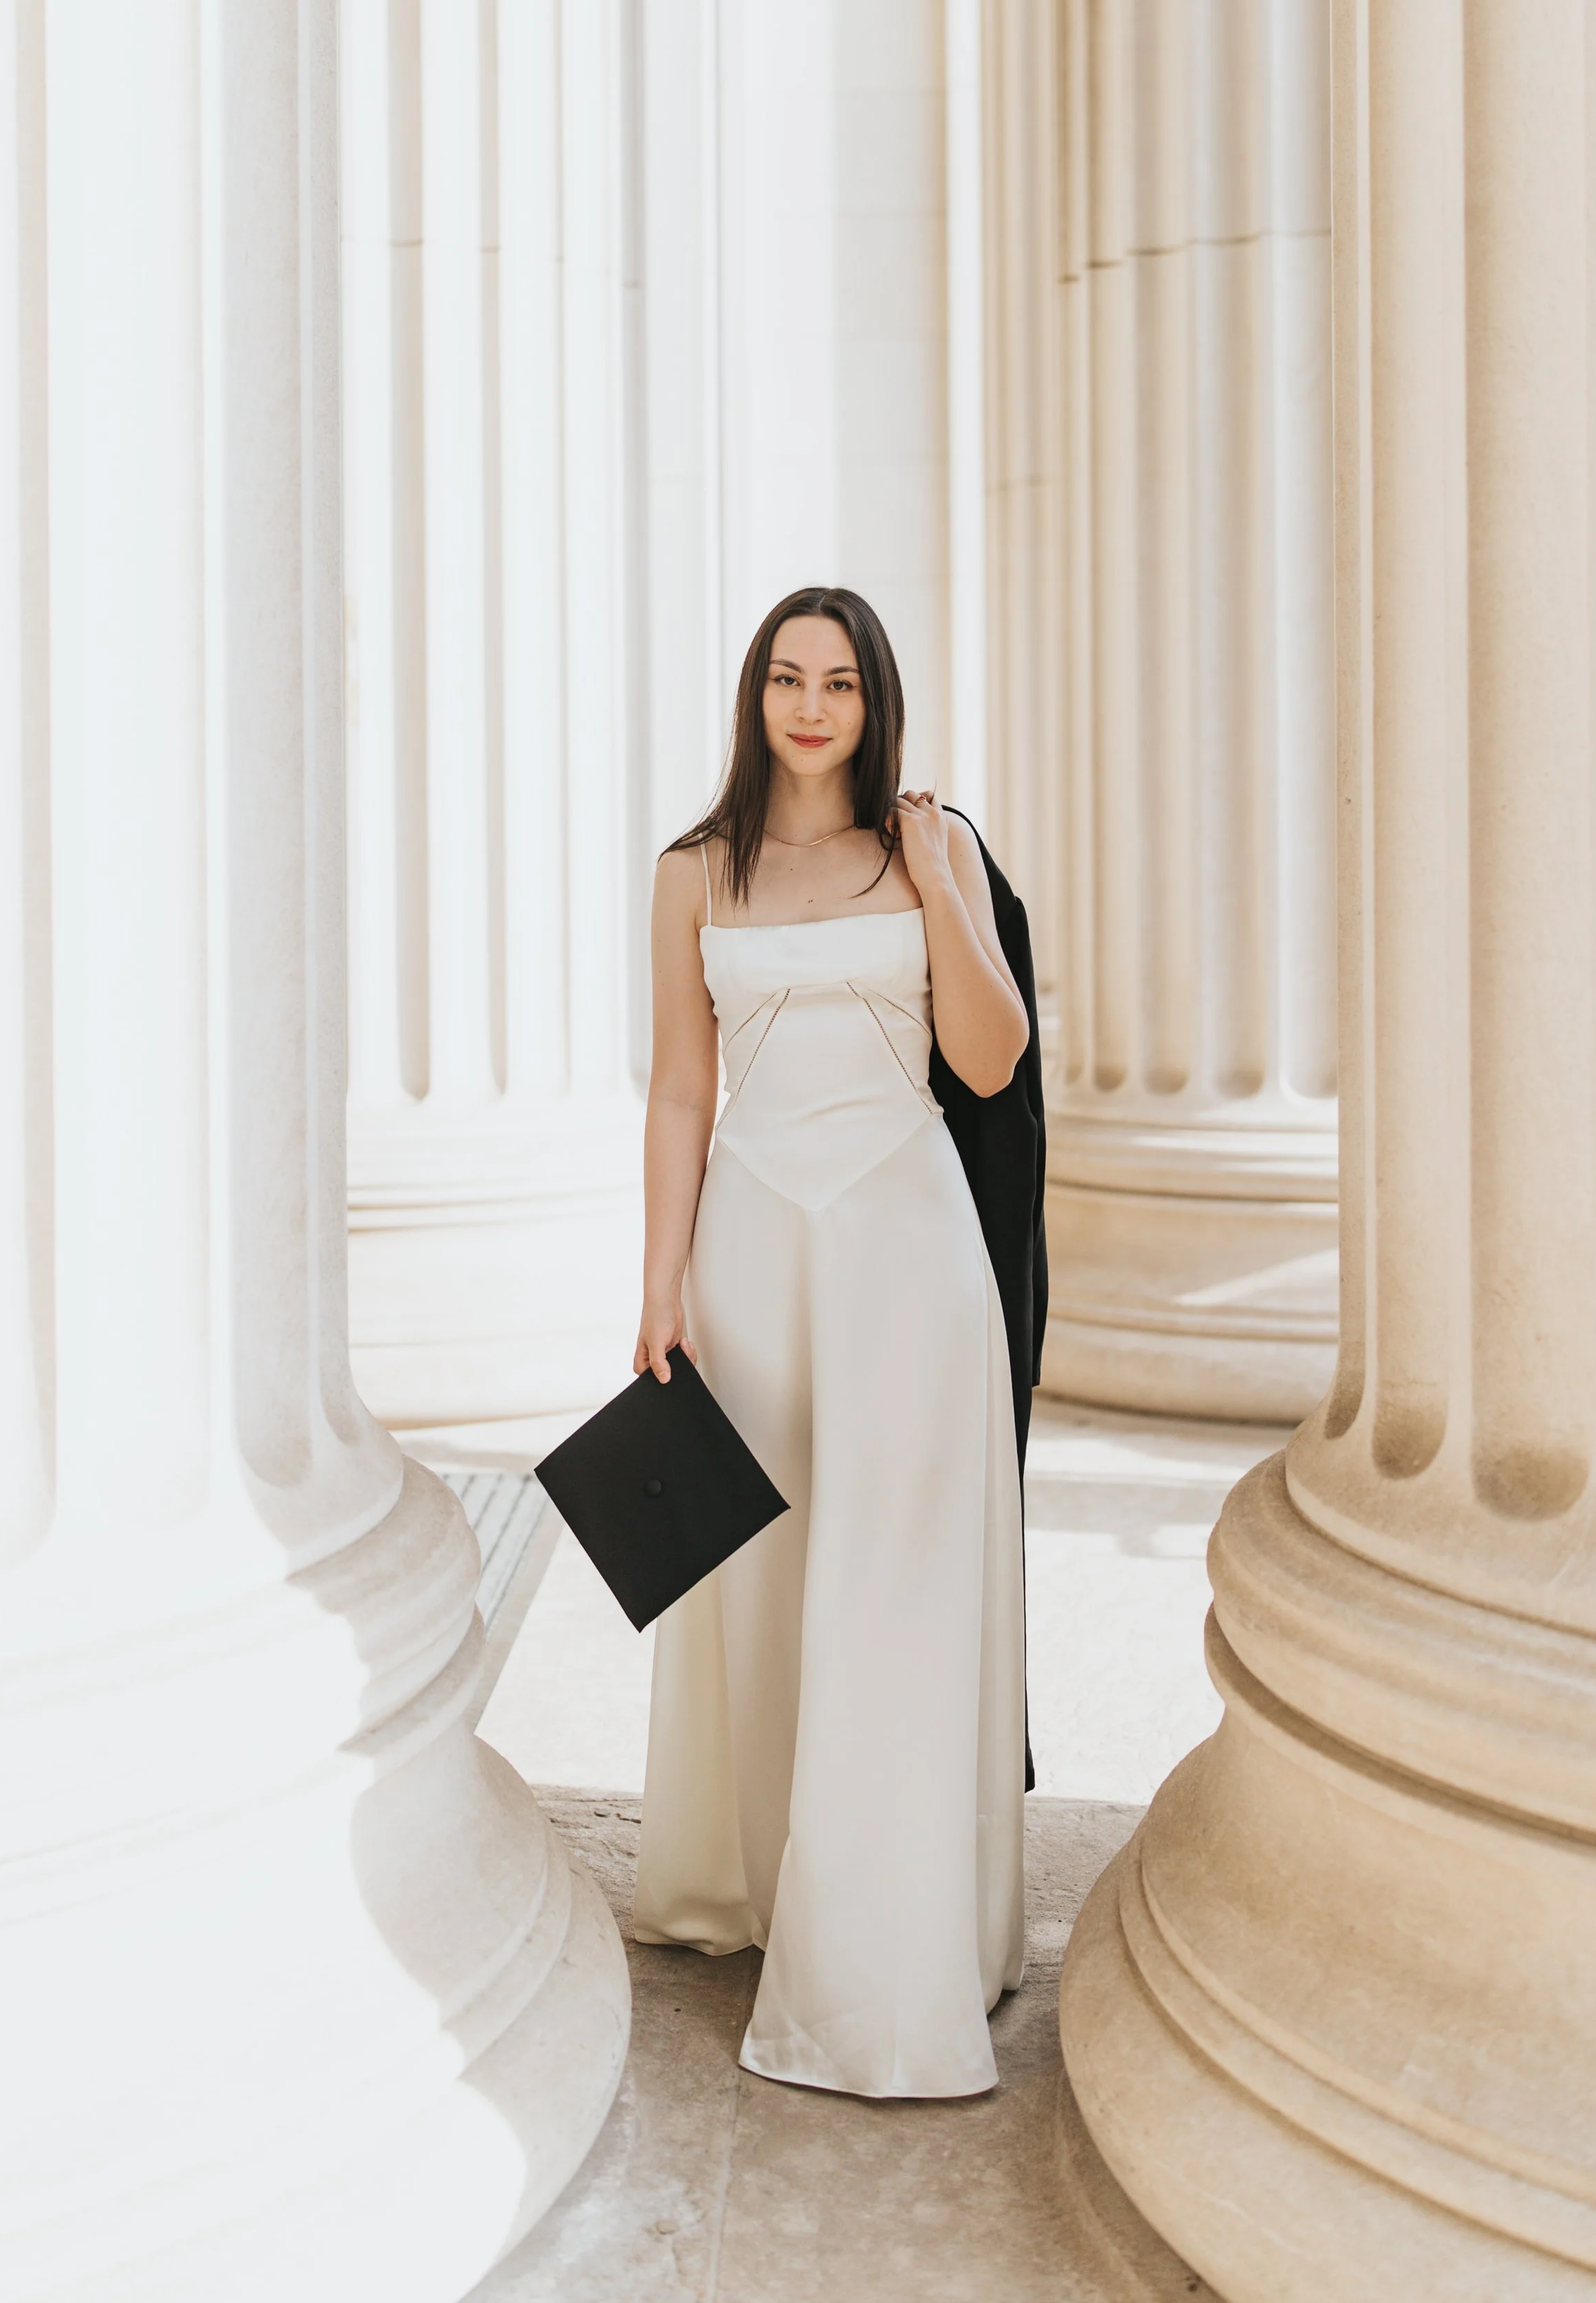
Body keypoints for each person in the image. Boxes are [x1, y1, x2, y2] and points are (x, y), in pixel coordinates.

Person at [630, 584, 1031, 2098]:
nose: (811, 706)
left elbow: (986, 1062)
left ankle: (887, 1948)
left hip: (906, 1247)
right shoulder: (690, 871)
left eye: (840, 682)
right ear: (756, 697)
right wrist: (660, 1281)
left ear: (876, 703)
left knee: (894, 1583)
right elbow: (681, 1088)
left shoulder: (935, 846)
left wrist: (934, 883)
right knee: (763, 1573)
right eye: (788, 679)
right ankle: (755, 1878)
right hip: (749, 1244)